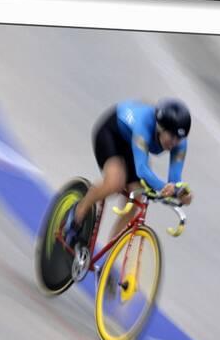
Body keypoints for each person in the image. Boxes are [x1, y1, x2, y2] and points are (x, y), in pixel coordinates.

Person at [63, 98, 193, 247]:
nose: (174, 142)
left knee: (136, 198)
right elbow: (142, 169)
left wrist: (182, 193)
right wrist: (165, 188)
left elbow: (175, 180)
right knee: (115, 182)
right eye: (171, 136)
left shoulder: (180, 143)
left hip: (133, 146)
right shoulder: (144, 123)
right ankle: (78, 212)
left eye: (179, 139)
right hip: (112, 133)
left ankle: (107, 257)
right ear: (160, 127)